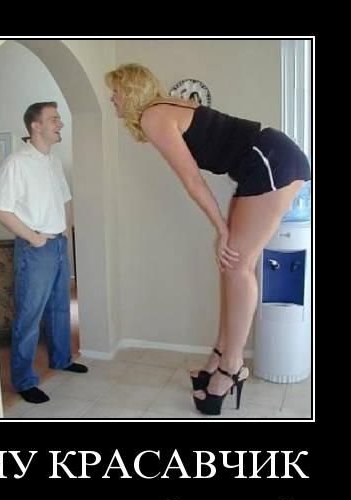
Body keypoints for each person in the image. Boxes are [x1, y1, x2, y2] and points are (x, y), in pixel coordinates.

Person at [105, 63, 310, 416]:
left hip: (270, 160)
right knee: (231, 266)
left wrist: (221, 229)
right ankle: (219, 356)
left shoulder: (154, 115)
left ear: (131, 90)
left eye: (116, 91)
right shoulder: (164, 108)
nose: (113, 98)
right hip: (264, 159)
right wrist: (222, 230)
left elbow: (192, 181)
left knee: (238, 265)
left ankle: (231, 368)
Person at [0, 101, 88, 404]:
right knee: (29, 316)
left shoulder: (53, 161)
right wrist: (34, 238)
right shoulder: (17, 163)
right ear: (36, 126)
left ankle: (61, 359)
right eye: (54, 119)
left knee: (60, 308)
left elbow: (66, 200)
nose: (60, 124)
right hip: (36, 248)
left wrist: (64, 232)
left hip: (57, 244)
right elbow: (0, 209)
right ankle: (23, 380)